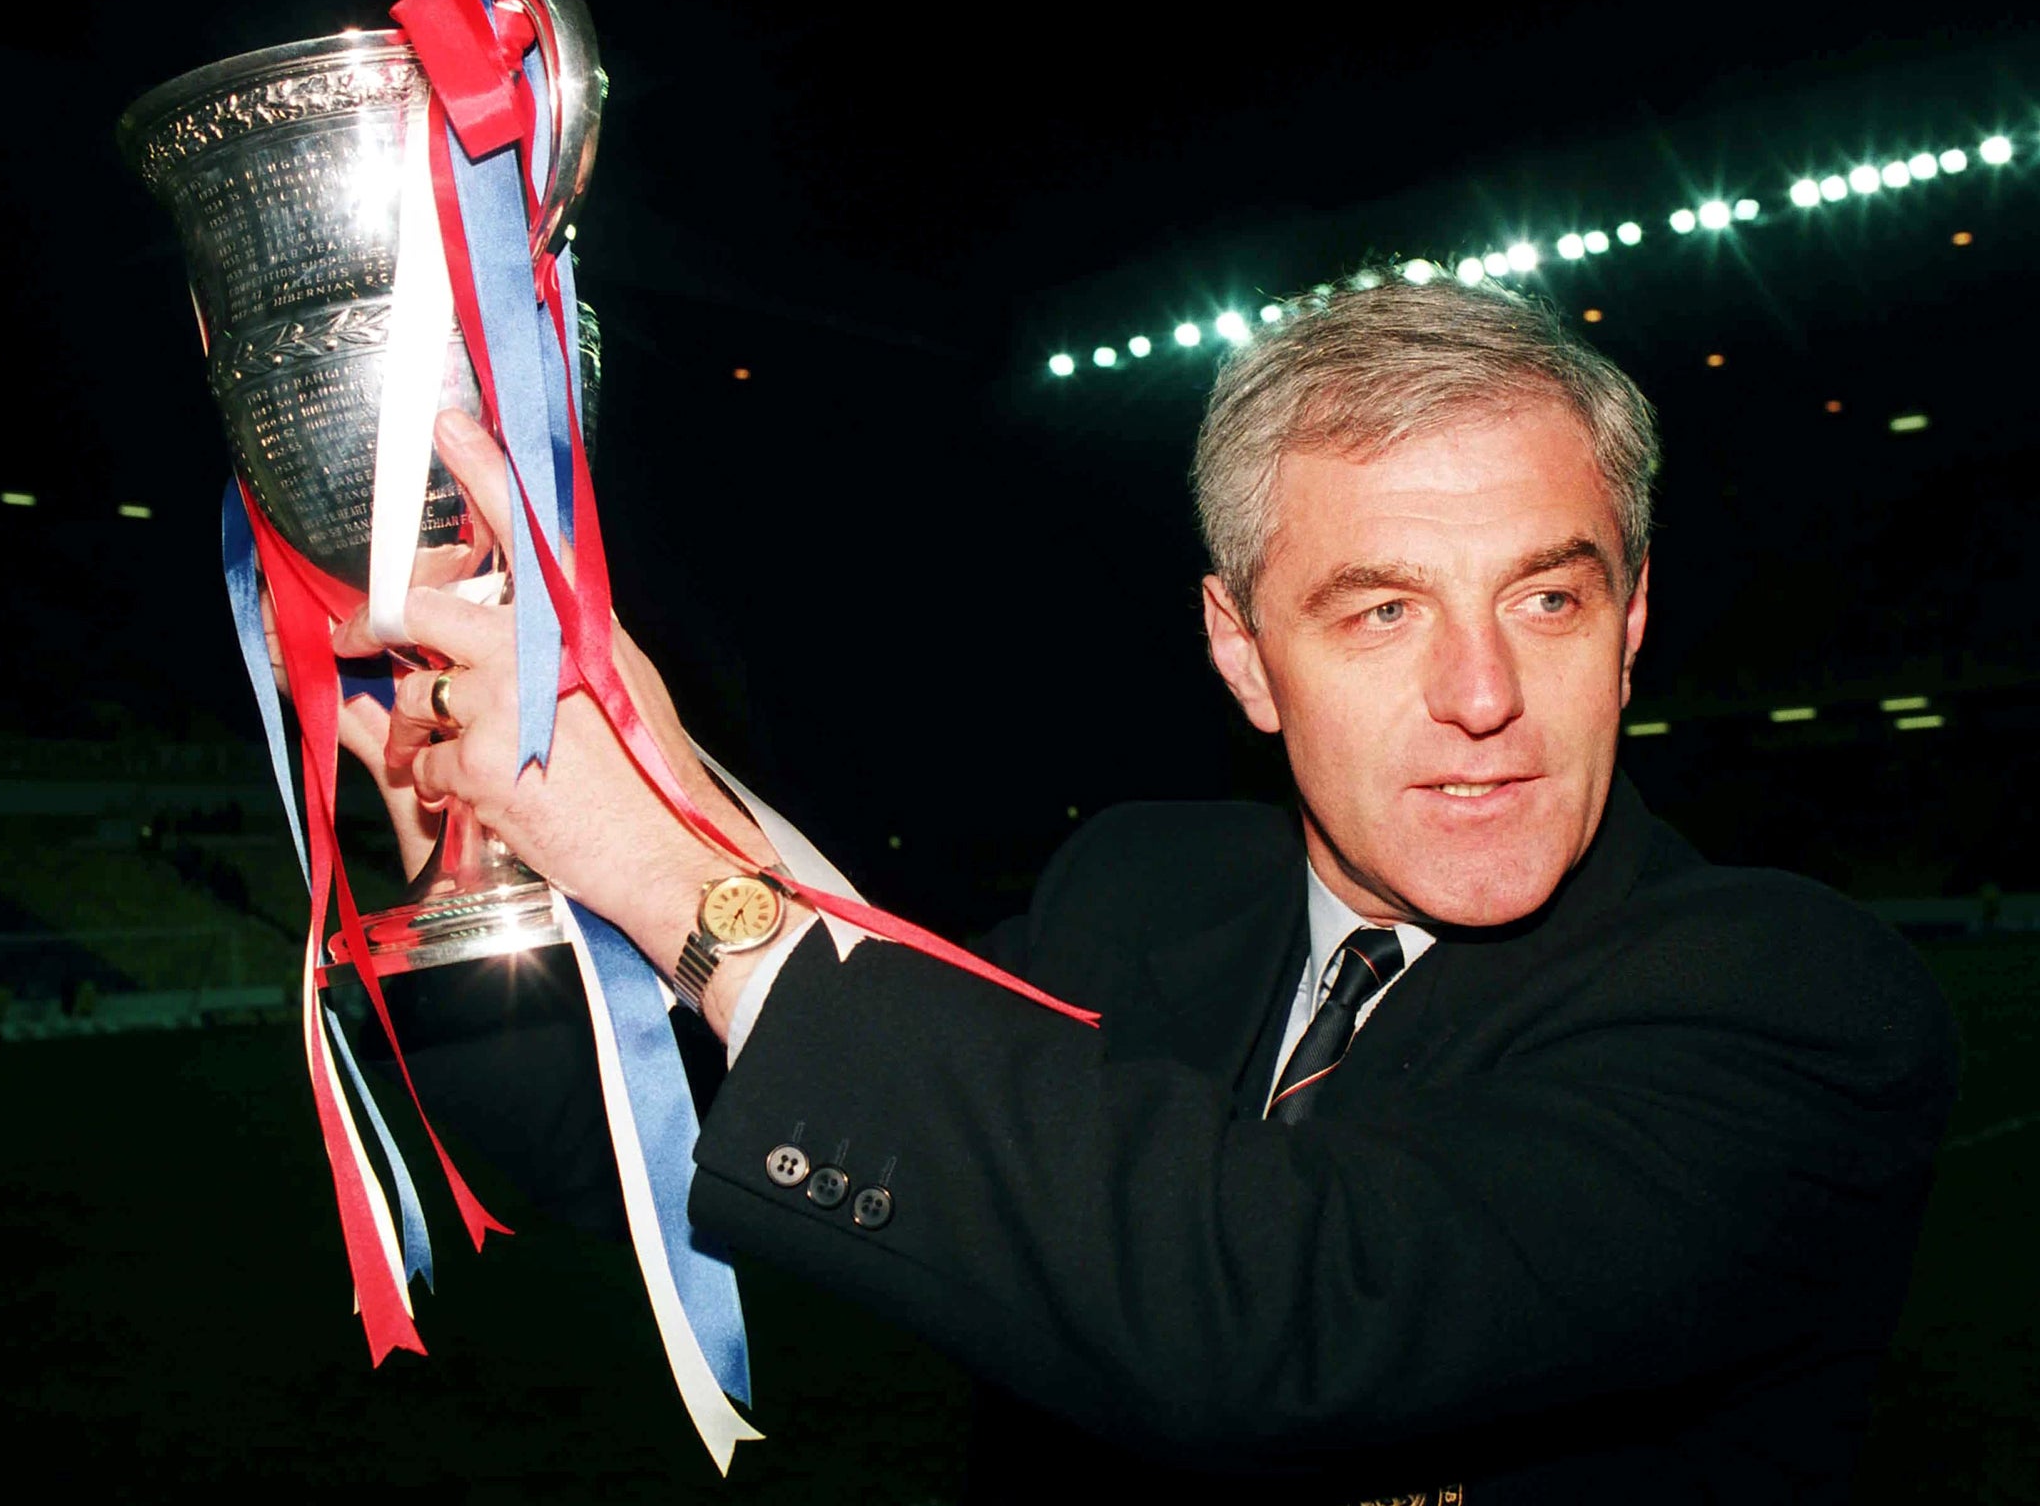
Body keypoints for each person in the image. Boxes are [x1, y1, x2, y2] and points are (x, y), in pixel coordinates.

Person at [351, 278, 1956, 1503]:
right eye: (1381, 612)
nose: (1482, 692)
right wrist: (470, 890)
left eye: (1546, 595)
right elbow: (630, 1142)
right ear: (1241, 653)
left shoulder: (1794, 1000)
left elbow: (1275, 1311)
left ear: (1630, 625)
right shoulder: (1139, 888)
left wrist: (666, 858)